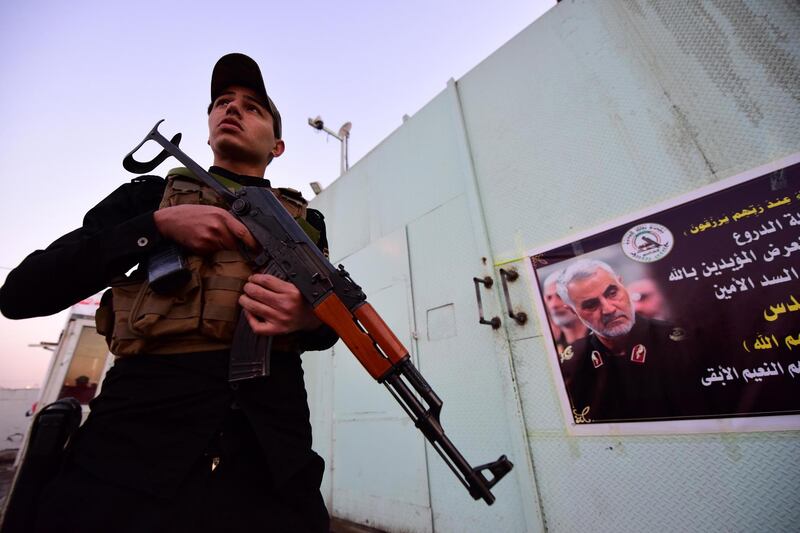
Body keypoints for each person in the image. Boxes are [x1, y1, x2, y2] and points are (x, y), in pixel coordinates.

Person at [0, 53, 335, 532]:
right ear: (207, 130)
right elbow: (21, 294)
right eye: (222, 102)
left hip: (271, 464)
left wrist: (307, 317)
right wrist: (154, 227)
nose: (232, 109)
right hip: (131, 451)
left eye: (253, 107)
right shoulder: (148, 197)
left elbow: (332, 325)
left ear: (277, 146)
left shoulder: (306, 225)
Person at [555, 259, 702, 422]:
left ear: (621, 284)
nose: (609, 309)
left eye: (612, 293)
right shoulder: (572, 363)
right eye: (591, 304)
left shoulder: (682, 342)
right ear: (572, 311)